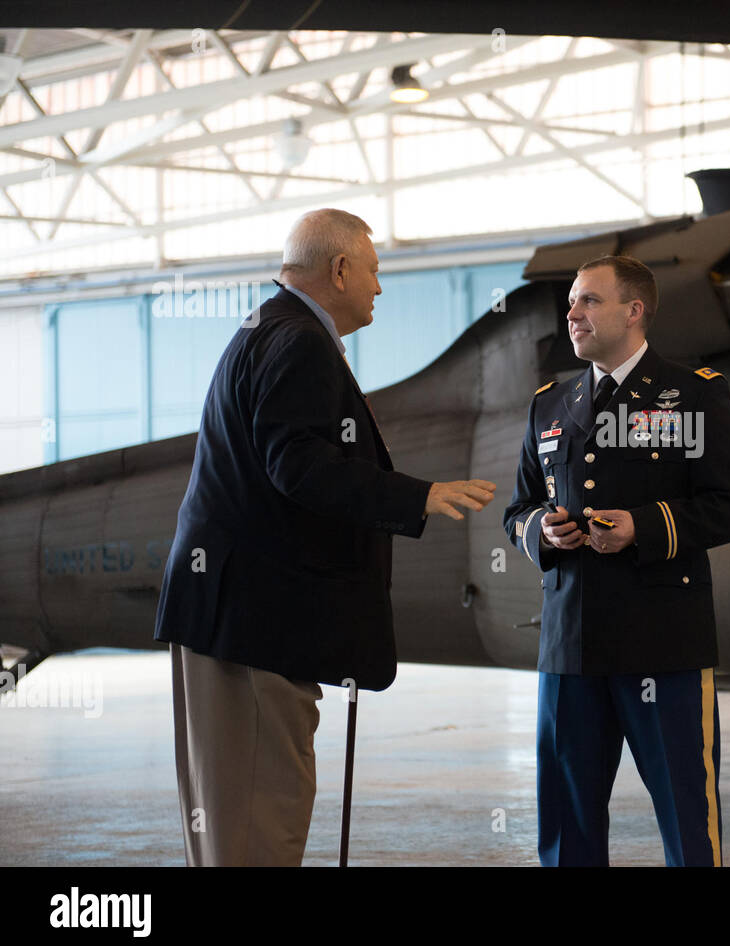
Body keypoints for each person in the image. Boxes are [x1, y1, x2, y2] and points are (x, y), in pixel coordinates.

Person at [153, 208, 495, 866]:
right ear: (338, 269)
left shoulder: (267, 327)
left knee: (235, 826)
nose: (379, 286)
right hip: (255, 627)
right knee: (259, 823)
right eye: (372, 269)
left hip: (233, 621)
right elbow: (300, 465)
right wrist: (418, 495)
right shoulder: (299, 341)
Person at [503, 254, 730, 866]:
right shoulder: (550, 405)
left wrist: (643, 527)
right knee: (567, 830)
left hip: (663, 645)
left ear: (634, 310)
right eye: (572, 302)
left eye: (589, 300)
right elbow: (518, 511)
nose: (572, 313)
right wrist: (544, 532)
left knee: (687, 823)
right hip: (570, 646)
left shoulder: (693, 394)